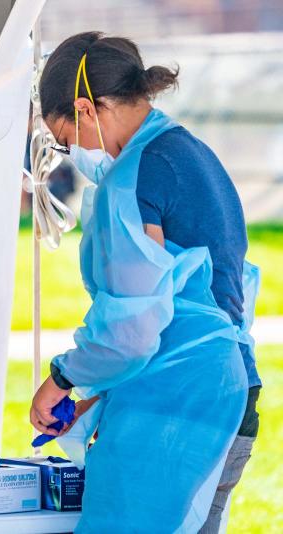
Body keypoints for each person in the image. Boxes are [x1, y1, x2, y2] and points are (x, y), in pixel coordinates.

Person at [29, 32, 259, 533]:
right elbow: (191, 304)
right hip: (231, 394)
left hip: (178, 406)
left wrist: (62, 379)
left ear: (87, 109)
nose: (71, 153)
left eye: (64, 139)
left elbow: (131, 330)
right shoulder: (192, 154)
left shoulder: (131, 181)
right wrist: (94, 397)